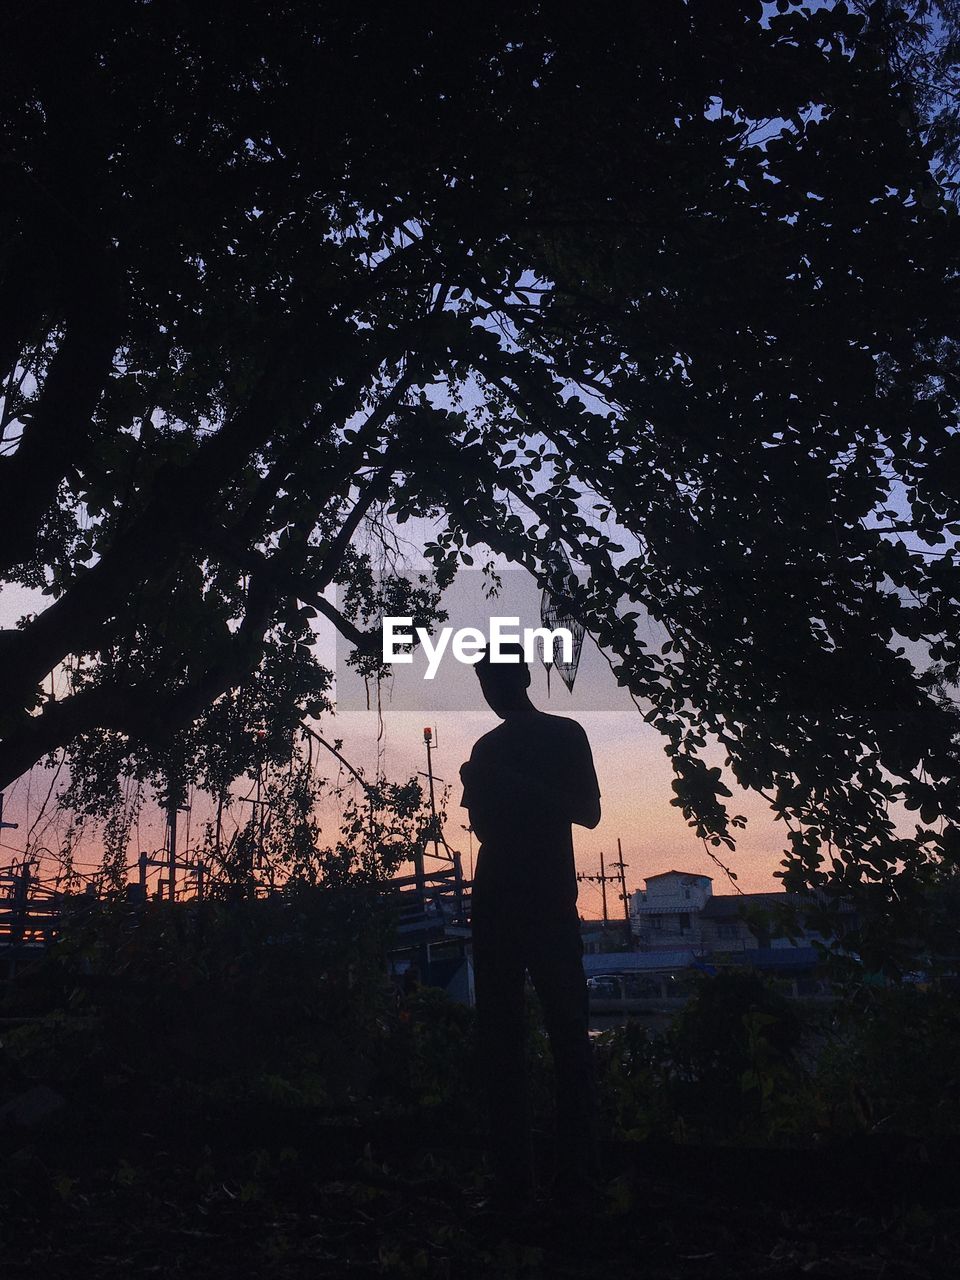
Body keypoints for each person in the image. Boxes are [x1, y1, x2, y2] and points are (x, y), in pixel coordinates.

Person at [459, 641, 601, 1211]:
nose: (491, 695)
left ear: (517, 679)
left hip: (537, 897)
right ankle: (522, 1183)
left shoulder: (561, 736)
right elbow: (483, 826)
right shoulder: (493, 746)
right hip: (509, 897)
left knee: (562, 1033)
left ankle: (567, 1182)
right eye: (485, 685)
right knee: (512, 1038)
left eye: (494, 683)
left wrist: (507, 785)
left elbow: (587, 811)